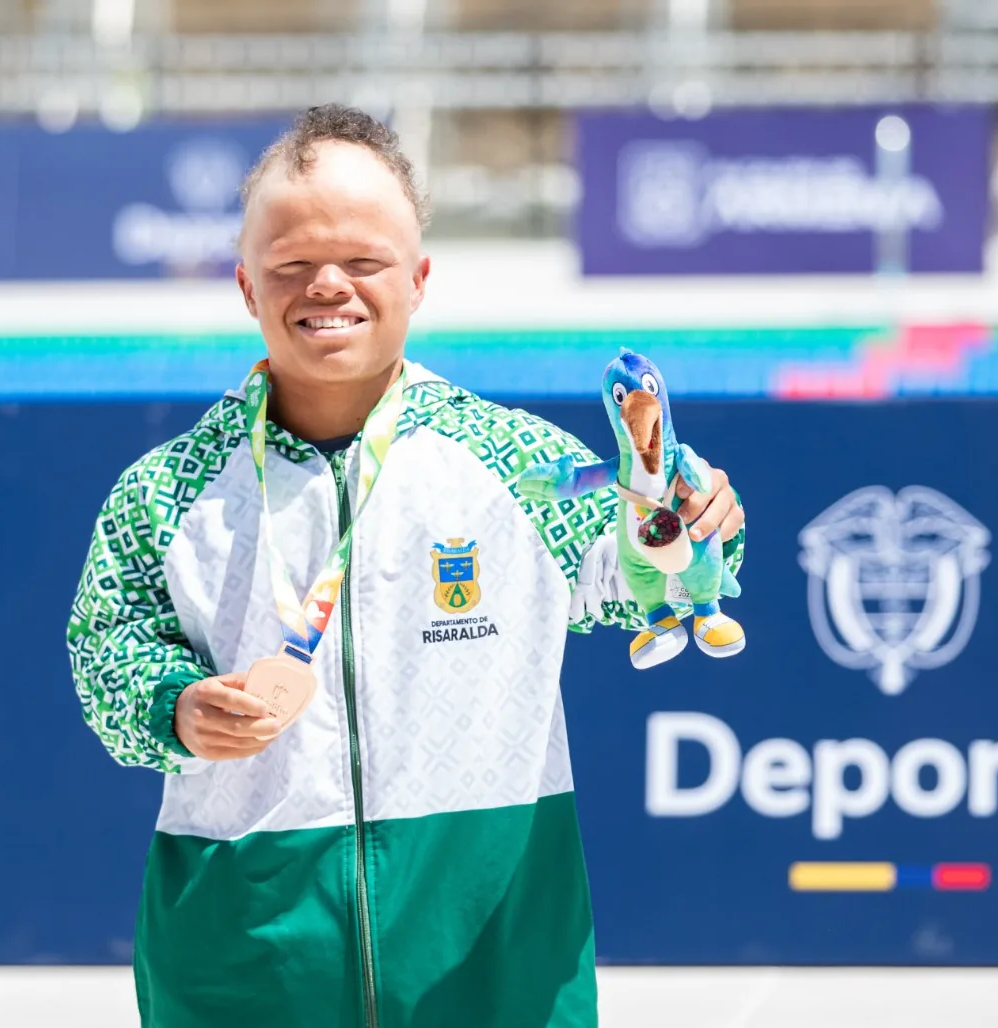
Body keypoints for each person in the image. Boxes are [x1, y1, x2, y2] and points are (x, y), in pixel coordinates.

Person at [67, 104, 745, 1028]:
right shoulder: (167, 492)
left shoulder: (517, 463)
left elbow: (643, 571)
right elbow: (105, 652)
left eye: (363, 260)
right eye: (292, 265)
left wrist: (685, 519)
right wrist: (172, 706)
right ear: (246, 286)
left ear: (418, 279)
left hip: (489, 962)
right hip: (248, 961)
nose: (328, 285)